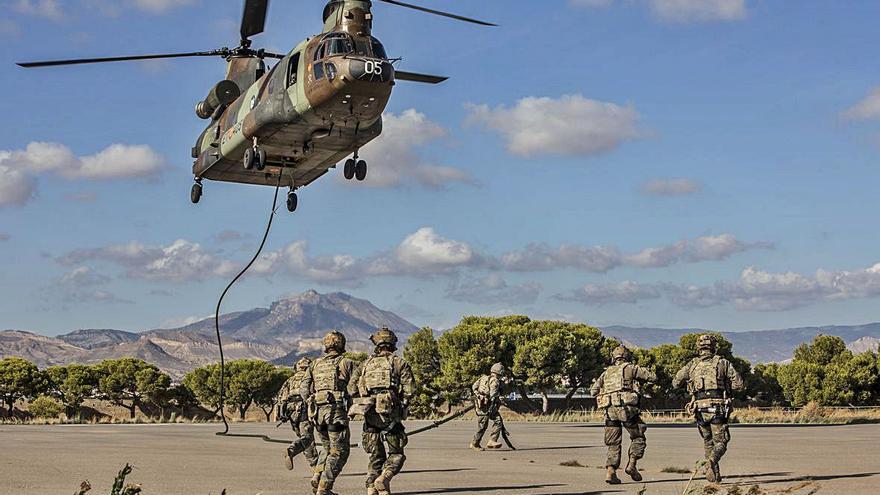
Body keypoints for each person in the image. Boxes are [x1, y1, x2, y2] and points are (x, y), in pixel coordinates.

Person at [351, 327, 415, 495]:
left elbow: (351, 388)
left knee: (375, 454)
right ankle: (384, 478)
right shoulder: (398, 362)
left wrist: (364, 397)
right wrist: (403, 404)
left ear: (377, 344)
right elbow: (409, 389)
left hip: (369, 415)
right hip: (391, 415)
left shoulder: (365, 364)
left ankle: (371, 487)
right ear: (393, 343)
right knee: (397, 454)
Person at [673, 334, 744, 484]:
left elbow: (675, 382)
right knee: (721, 442)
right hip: (717, 407)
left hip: (699, 409)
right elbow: (739, 384)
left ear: (699, 348)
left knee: (707, 440)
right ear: (714, 347)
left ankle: (715, 475)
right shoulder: (723, 363)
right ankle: (711, 462)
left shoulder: (692, 365)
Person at [301, 331, 360, 495]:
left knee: (326, 448)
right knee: (339, 451)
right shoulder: (347, 363)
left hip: (318, 414)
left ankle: (318, 474)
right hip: (336, 413)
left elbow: (304, 389)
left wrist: (311, 402)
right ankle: (324, 487)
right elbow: (354, 387)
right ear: (342, 344)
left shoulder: (314, 364)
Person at [590, 345, 657, 485]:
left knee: (613, 443)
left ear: (613, 357)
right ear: (627, 356)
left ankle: (610, 472)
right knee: (638, 437)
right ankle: (632, 465)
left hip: (610, 412)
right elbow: (653, 377)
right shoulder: (631, 368)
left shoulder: (606, 372)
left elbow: (593, 391)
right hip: (627, 411)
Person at [278, 357, 319, 472]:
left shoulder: (289, 380)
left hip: (291, 412)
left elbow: (281, 397)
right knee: (307, 438)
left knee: (304, 437)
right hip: (304, 409)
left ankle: (313, 466)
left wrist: (283, 414)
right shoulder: (309, 378)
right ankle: (294, 451)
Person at [470, 363, 506, 451]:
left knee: (497, 420)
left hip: (480, 404)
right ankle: (475, 443)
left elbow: (474, 387)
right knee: (483, 425)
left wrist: (478, 395)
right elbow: (493, 395)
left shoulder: (483, 378)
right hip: (487, 405)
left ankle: (492, 441)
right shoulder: (495, 381)